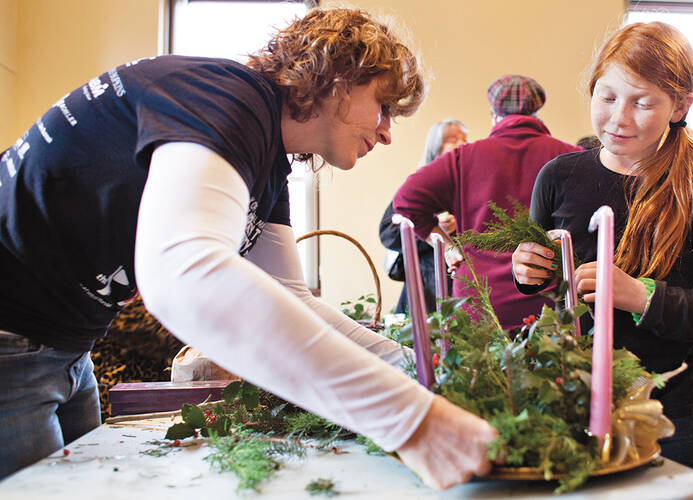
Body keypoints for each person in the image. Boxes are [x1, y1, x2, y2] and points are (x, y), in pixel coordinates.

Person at [0, 7, 500, 487]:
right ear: (337, 75)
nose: (388, 132)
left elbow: (293, 296)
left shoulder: (267, 161)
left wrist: (417, 370)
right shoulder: (226, 97)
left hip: (67, 348)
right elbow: (183, 274)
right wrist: (407, 417)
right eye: (384, 106)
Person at [511, 22, 693, 500]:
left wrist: (641, 295)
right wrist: (528, 271)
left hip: (674, 412)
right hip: (573, 403)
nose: (618, 118)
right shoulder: (558, 176)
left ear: (680, 106)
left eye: (641, 102)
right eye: (606, 96)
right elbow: (548, 280)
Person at [393, 75, 580, 330]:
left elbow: (406, 201)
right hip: (545, 308)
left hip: (478, 304)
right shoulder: (570, 157)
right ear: (537, 114)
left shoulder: (462, 158)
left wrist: (448, 249)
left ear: (494, 116)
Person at [379, 119, 467, 314]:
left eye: (465, 138)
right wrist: (433, 230)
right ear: (435, 147)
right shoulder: (418, 189)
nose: (462, 144)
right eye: (452, 139)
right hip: (424, 290)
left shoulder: (469, 187)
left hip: (462, 291)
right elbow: (388, 233)